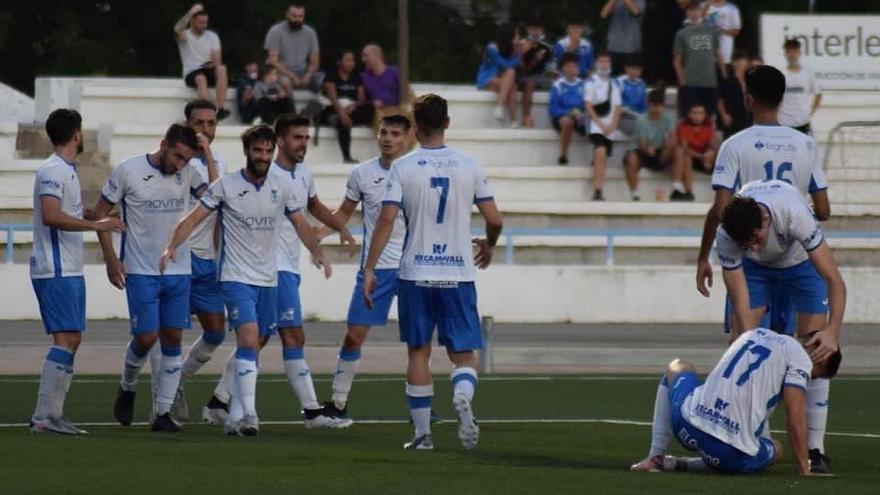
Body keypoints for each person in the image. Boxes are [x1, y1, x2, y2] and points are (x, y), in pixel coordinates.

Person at [695, 65, 833, 472]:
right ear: (783, 99)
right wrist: (796, 215)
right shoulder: (804, 143)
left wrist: (703, 256)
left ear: (749, 98)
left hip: (750, 262)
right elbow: (823, 208)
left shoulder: (736, 144)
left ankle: (756, 437)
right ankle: (816, 451)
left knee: (747, 345)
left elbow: (722, 210)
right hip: (796, 259)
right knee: (814, 350)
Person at [160, 125, 332, 436]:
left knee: (257, 342)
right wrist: (171, 245)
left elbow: (300, 223)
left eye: (268, 151)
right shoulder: (225, 186)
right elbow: (192, 219)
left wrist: (317, 252)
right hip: (234, 277)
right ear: (247, 152)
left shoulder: (283, 186)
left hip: (268, 280)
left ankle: (230, 411)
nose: (263, 157)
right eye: (258, 151)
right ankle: (249, 415)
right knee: (249, 337)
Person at [363, 93, 503, 450]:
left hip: (415, 273)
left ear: (415, 125)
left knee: (418, 352)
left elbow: (387, 218)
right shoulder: (469, 165)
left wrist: (369, 268)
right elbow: (494, 219)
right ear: (447, 123)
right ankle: (461, 393)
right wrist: (489, 243)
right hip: (458, 273)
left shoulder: (403, 167)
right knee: (463, 355)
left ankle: (423, 435)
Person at [199, 115, 356, 429]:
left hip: (286, 266)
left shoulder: (302, 175)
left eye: (306, 137)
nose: (303, 144)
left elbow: (314, 206)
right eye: (297, 137)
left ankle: (220, 402)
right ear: (279, 142)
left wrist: (341, 227)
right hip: (272, 267)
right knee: (289, 335)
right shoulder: (263, 177)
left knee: (260, 338)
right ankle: (311, 412)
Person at [92, 124, 206, 433]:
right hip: (141, 269)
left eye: (186, 159)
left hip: (179, 269)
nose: (180, 164)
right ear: (163, 145)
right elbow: (99, 213)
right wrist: (111, 258)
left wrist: (205, 153)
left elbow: (216, 199)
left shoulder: (192, 172)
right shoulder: (128, 170)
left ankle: (163, 413)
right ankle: (127, 385)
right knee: (146, 337)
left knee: (172, 337)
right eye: (177, 156)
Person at [28, 109, 125, 435]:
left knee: (73, 337)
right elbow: (51, 215)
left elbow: (62, 211)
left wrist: (84, 213)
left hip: (67, 267)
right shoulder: (53, 170)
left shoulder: (64, 170)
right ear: (77, 134)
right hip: (55, 267)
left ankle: (53, 414)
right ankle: (45, 416)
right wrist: (97, 223)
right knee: (65, 338)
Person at [630, 328, 841, 475]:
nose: (809, 379)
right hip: (727, 454)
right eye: (814, 375)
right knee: (776, 449)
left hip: (685, 425)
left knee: (678, 365)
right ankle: (687, 465)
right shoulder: (801, 360)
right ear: (819, 354)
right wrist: (805, 468)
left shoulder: (754, 333)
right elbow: (795, 416)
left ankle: (656, 457)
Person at [317, 115, 411, 422]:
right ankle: (338, 403)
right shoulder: (362, 173)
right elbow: (343, 213)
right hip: (377, 268)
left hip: (414, 268)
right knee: (354, 335)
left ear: (407, 138)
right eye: (384, 132)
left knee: (420, 341)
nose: (387, 138)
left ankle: (423, 407)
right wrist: (316, 233)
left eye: (395, 133)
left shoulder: (417, 173)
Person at [155, 100, 224, 424]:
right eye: (200, 123)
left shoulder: (216, 161)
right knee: (169, 332)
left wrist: (208, 153)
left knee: (216, 331)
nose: (206, 129)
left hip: (207, 262)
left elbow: (217, 198)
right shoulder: (175, 162)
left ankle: (178, 378)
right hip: (181, 259)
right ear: (188, 123)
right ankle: (164, 401)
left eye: (211, 123)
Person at [174, 4, 230, 120]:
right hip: (192, 72)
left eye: (205, 23)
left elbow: (217, 60)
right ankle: (211, 110)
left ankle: (221, 108)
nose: (203, 26)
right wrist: (190, 12)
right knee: (201, 78)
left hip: (207, 68)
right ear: (192, 21)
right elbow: (177, 29)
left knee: (221, 69)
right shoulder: (186, 35)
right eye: (200, 23)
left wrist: (212, 64)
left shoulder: (212, 36)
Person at [673, 0, 726, 118]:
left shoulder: (711, 31)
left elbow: (718, 54)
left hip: (709, 80)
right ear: (687, 13)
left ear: (702, 12)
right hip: (690, 81)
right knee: (688, 115)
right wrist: (682, 81)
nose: (694, 13)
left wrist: (724, 75)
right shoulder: (682, 34)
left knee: (709, 115)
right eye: (691, 11)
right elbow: (677, 60)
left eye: (697, 10)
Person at [624, 88, 677, 201]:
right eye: (654, 105)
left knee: (678, 151)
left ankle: (677, 188)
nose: (657, 109)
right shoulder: (641, 120)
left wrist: (666, 152)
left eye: (660, 106)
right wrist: (649, 150)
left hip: (659, 149)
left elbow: (672, 137)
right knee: (631, 158)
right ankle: (635, 194)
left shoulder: (669, 118)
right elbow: (643, 144)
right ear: (649, 105)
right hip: (641, 150)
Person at [584, 52, 623, 201]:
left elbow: (618, 107)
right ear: (596, 63)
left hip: (610, 127)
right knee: (600, 151)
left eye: (607, 61)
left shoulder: (615, 83)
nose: (604, 64)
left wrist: (612, 124)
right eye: (602, 61)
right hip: (596, 125)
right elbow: (588, 105)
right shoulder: (591, 82)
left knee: (603, 157)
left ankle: (596, 168)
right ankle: (598, 191)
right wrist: (600, 124)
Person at [324, 50, 374, 163]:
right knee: (343, 122)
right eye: (348, 60)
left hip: (352, 109)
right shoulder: (331, 75)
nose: (351, 63)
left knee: (370, 109)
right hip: (334, 109)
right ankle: (347, 157)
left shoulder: (356, 76)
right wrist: (342, 113)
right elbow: (333, 98)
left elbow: (361, 99)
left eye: (353, 60)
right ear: (339, 62)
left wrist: (354, 106)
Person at [264, 4, 324, 93]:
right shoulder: (275, 31)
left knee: (324, 80)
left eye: (301, 16)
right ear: (287, 15)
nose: (298, 19)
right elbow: (273, 61)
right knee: (286, 83)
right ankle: (290, 107)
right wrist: (292, 76)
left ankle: (315, 106)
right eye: (294, 16)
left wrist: (308, 76)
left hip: (303, 71)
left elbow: (315, 62)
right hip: (281, 72)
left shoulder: (310, 33)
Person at [475, 24, 520, 126]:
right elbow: (504, 64)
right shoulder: (492, 47)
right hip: (486, 78)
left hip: (502, 80)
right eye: (516, 34)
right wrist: (517, 53)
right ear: (509, 36)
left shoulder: (510, 48)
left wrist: (516, 51)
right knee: (511, 74)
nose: (518, 37)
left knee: (513, 85)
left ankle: (512, 121)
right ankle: (502, 109)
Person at [672, 102, 717, 200]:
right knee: (686, 157)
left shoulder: (709, 127)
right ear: (689, 114)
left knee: (712, 153)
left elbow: (712, 146)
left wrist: (709, 154)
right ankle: (688, 191)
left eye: (700, 113)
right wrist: (701, 156)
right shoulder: (683, 126)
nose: (697, 116)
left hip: (705, 158)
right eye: (694, 113)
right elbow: (684, 148)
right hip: (691, 156)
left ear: (705, 115)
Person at [548, 53, 587, 166]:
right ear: (563, 68)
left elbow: (586, 105)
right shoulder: (557, 85)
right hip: (561, 116)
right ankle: (563, 154)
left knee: (594, 122)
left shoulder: (583, 84)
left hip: (579, 115)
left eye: (574, 66)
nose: (572, 69)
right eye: (569, 66)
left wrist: (580, 113)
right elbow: (553, 109)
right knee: (567, 121)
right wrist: (569, 112)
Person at [779, 39, 822, 135]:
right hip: (784, 123)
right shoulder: (780, 74)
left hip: (803, 123)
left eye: (794, 51)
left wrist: (809, 113)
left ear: (799, 53)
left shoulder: (808, 73)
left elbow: (818, 95)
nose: (792, 55)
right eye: (789, 51)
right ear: (785, 54)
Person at [516, 21, 555, 128]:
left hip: (542, 78)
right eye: (533, 29)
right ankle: (526, 118)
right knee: (530, 83)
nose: (536, 32)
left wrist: (553, 77)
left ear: (542, 31)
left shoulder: (546, 48)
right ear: (529, 30)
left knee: (559, 85)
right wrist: (530, 57)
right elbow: (520, 70)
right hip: (524, 77)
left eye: (538, 29)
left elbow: (551, 70)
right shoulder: (521, 45)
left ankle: (569, 116)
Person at [600, 0, 646, 76]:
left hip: (632, 47)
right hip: (614, 46)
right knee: (613, 79)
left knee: (631, 78)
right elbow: (603, 14)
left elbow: (636, 12)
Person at [361, 44, 410, 114]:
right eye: (363, 56)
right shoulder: (363, 77)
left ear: (377, 56)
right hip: (375, 118)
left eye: (366, 56)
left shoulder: (395, 72)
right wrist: (371, 105)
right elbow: (361, 102)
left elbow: (408, 95)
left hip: (397, 116)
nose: (363, 60)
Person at [717, 50, 751, 139]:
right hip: (731, 117)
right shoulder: (727, 81)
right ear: (733, 63)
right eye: (738, 61)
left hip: (746, 117)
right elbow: (720, 99)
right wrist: (724, 115)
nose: (741, 64)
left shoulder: (750, 80)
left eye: (744, 61)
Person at [702, 0, 741, 66]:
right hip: (704, 53)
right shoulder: (702, 5)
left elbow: (736, 32)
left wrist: (720, 29)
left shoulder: (732, 8)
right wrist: (706, 8)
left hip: (724, 54)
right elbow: (692, 25)